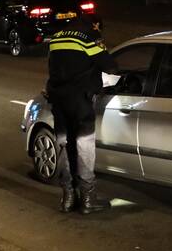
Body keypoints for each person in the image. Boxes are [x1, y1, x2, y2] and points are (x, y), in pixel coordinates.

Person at [47, 12, 119, 214]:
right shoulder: (87, 38)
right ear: (94, 25)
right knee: (84, 145)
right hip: (80, 101)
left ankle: (68, 198)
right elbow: (110, 65)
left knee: (64, 145)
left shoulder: (57, 37)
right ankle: (88, 199)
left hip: (59, 100)